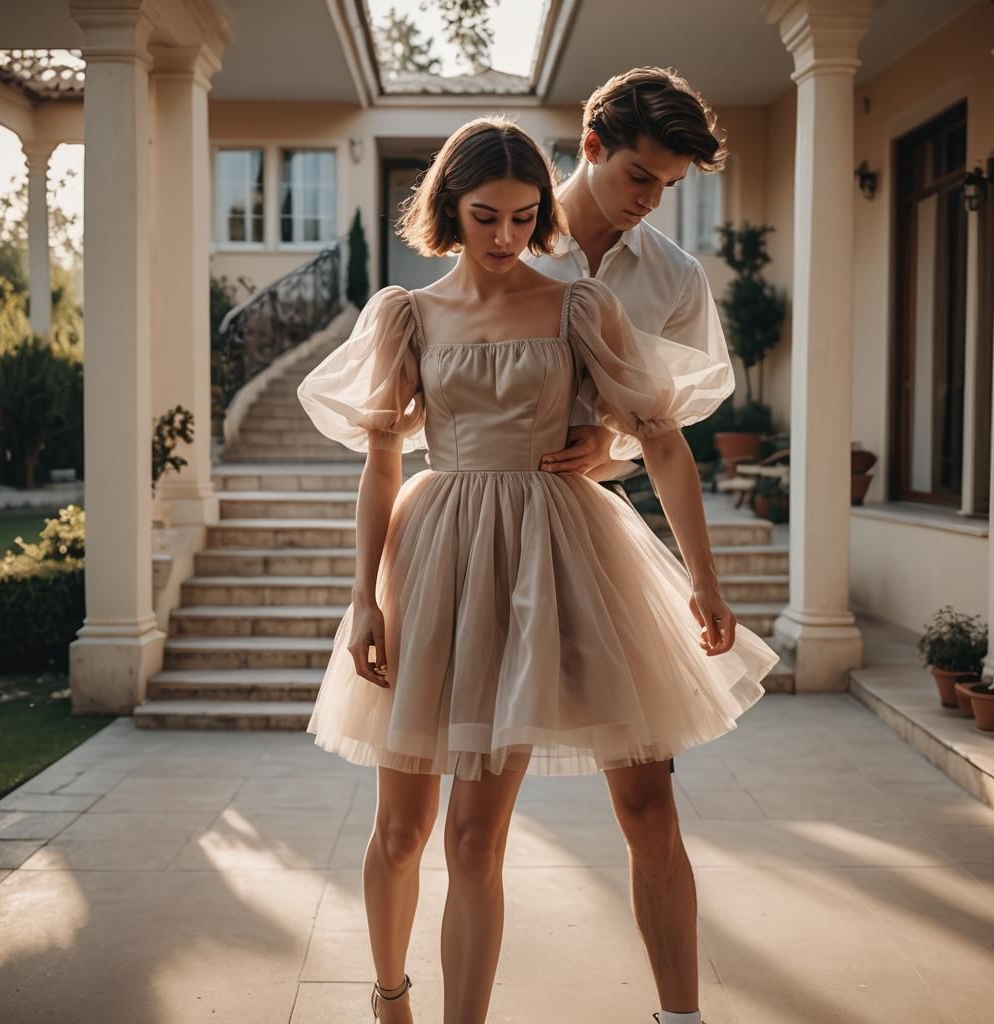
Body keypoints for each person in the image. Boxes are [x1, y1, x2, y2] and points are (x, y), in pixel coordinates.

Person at [297, 115, 779, 1024]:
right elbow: (383, 462)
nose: (507, 236)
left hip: (548, 556)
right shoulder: (406, 315)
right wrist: (362, 597)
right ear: (449, 207)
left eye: (524, 217)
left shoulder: (577, 307)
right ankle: (389, 998)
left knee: (475, 836)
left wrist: (705, 580)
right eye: (486, 216)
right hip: (435, 559)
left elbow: (662, 441)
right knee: (401, 831)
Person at [525, 67, 737, 1024]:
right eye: (639, 176)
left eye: (669, 186)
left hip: (594, 539)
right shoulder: (508, 237)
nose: (651, 201)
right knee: (469, 814)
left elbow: (663, 434)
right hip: (484, 535)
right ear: (593, 145)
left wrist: (704, 579)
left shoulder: (674, 278)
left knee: (649, 800)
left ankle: (680, 1017)